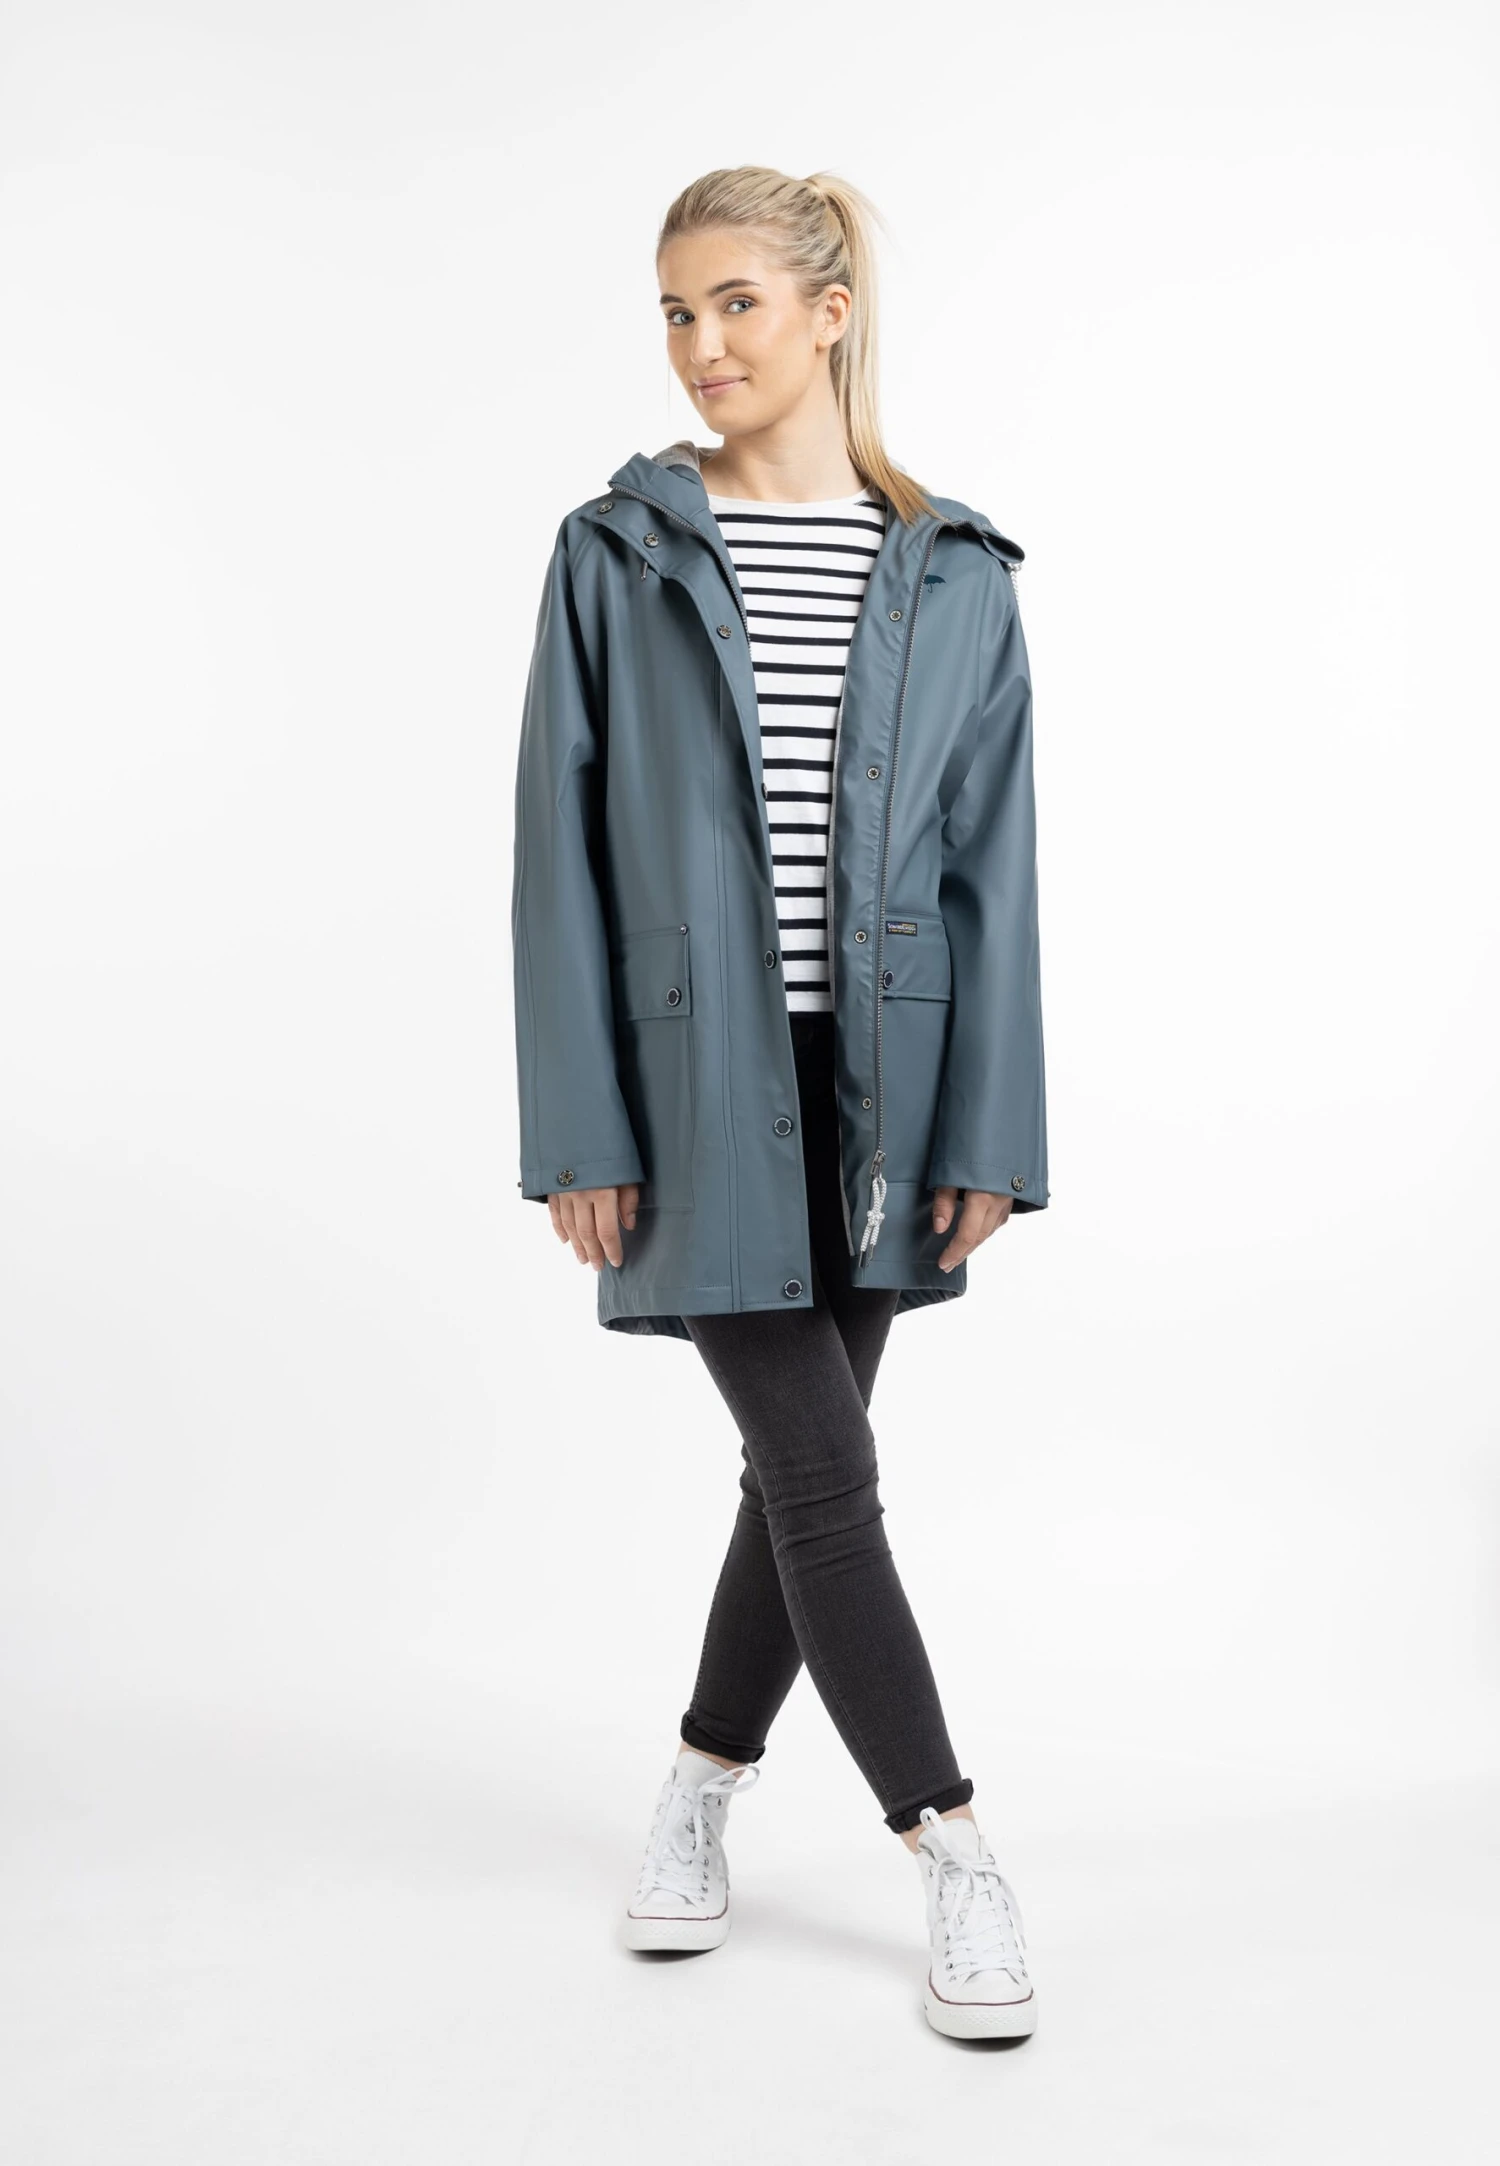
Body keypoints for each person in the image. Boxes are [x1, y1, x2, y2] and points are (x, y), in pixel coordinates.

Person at [510, 165, 1048, 2043]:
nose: (700, 344)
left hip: (886, 1089)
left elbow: (991, 872)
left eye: (735, 301)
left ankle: (699, 1779)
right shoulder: (617, 551)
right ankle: (951, 1839)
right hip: (692, 1083)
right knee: (827, 1474)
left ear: (829, 310)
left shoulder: (957, 570)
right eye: (676, 310)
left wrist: (992, 1130)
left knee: (793, 1480)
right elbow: (559, 856)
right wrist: (582, 1126)